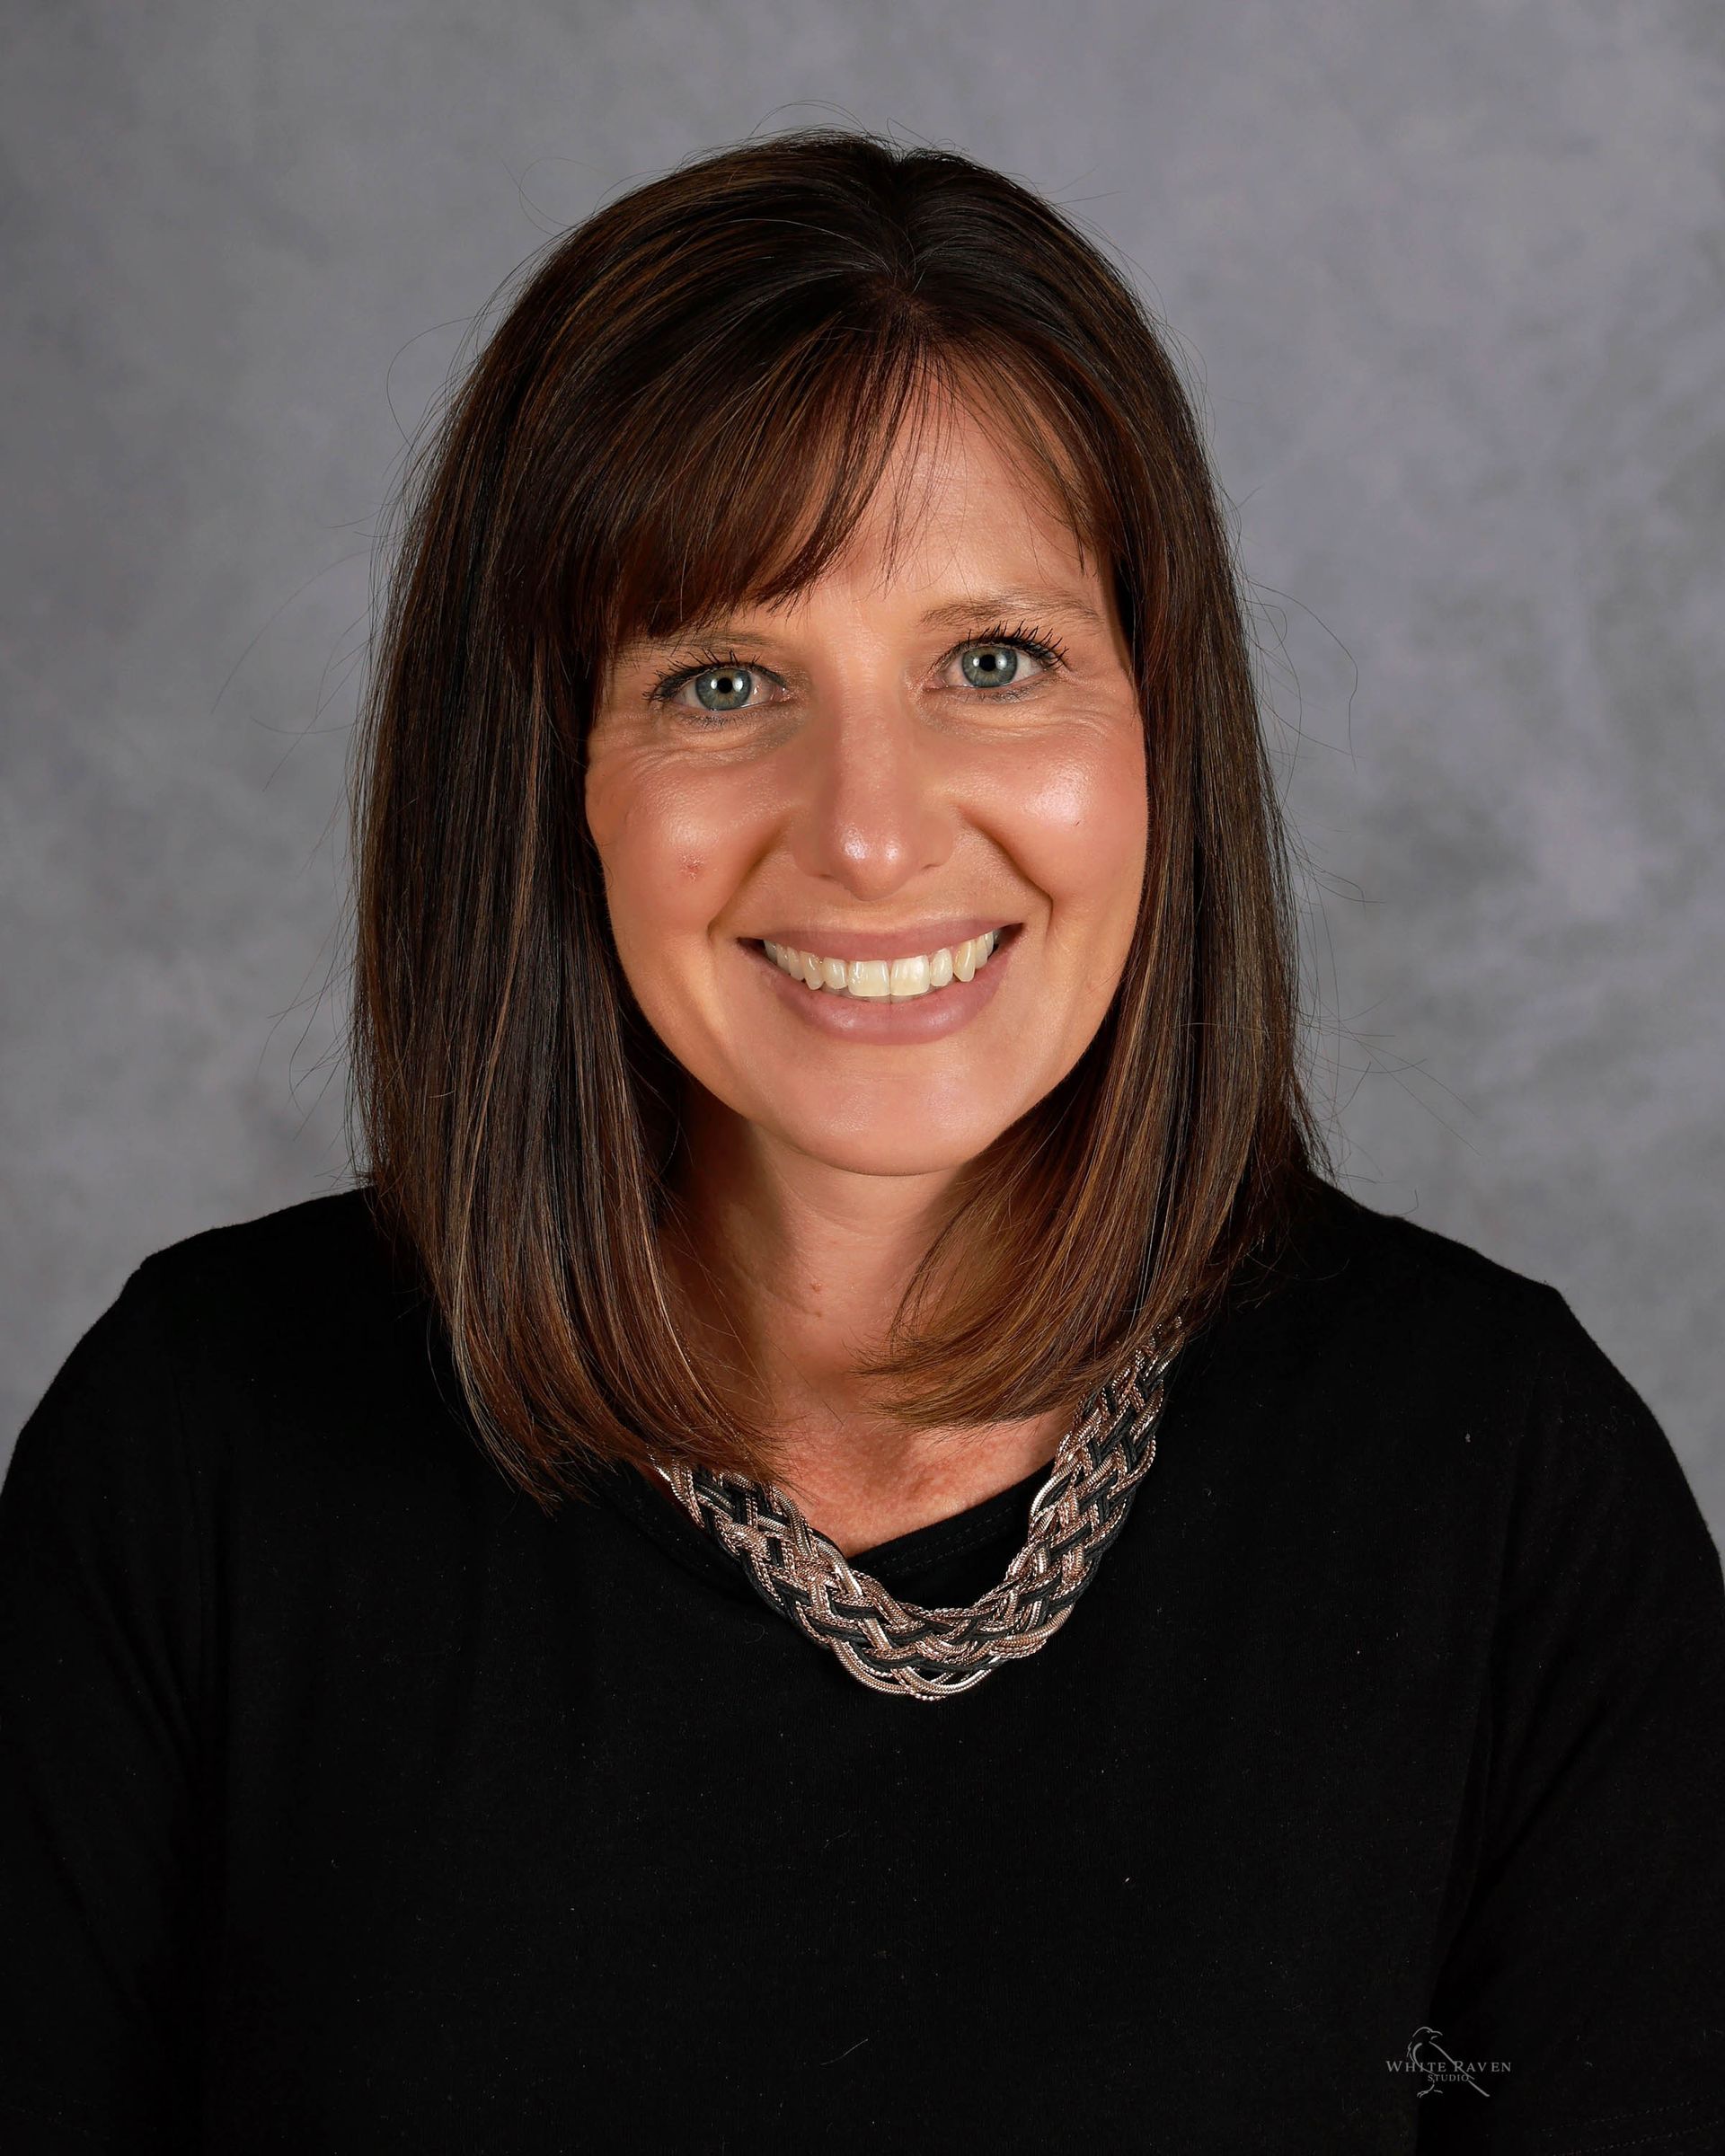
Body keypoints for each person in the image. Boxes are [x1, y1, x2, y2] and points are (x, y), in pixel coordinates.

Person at [2, 128, 1721, 2155]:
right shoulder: (198, 1458)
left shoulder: (1508, 1494)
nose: (875, 833)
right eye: (723, 678)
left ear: (1161, 725)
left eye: (996, 662)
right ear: (552, 775)